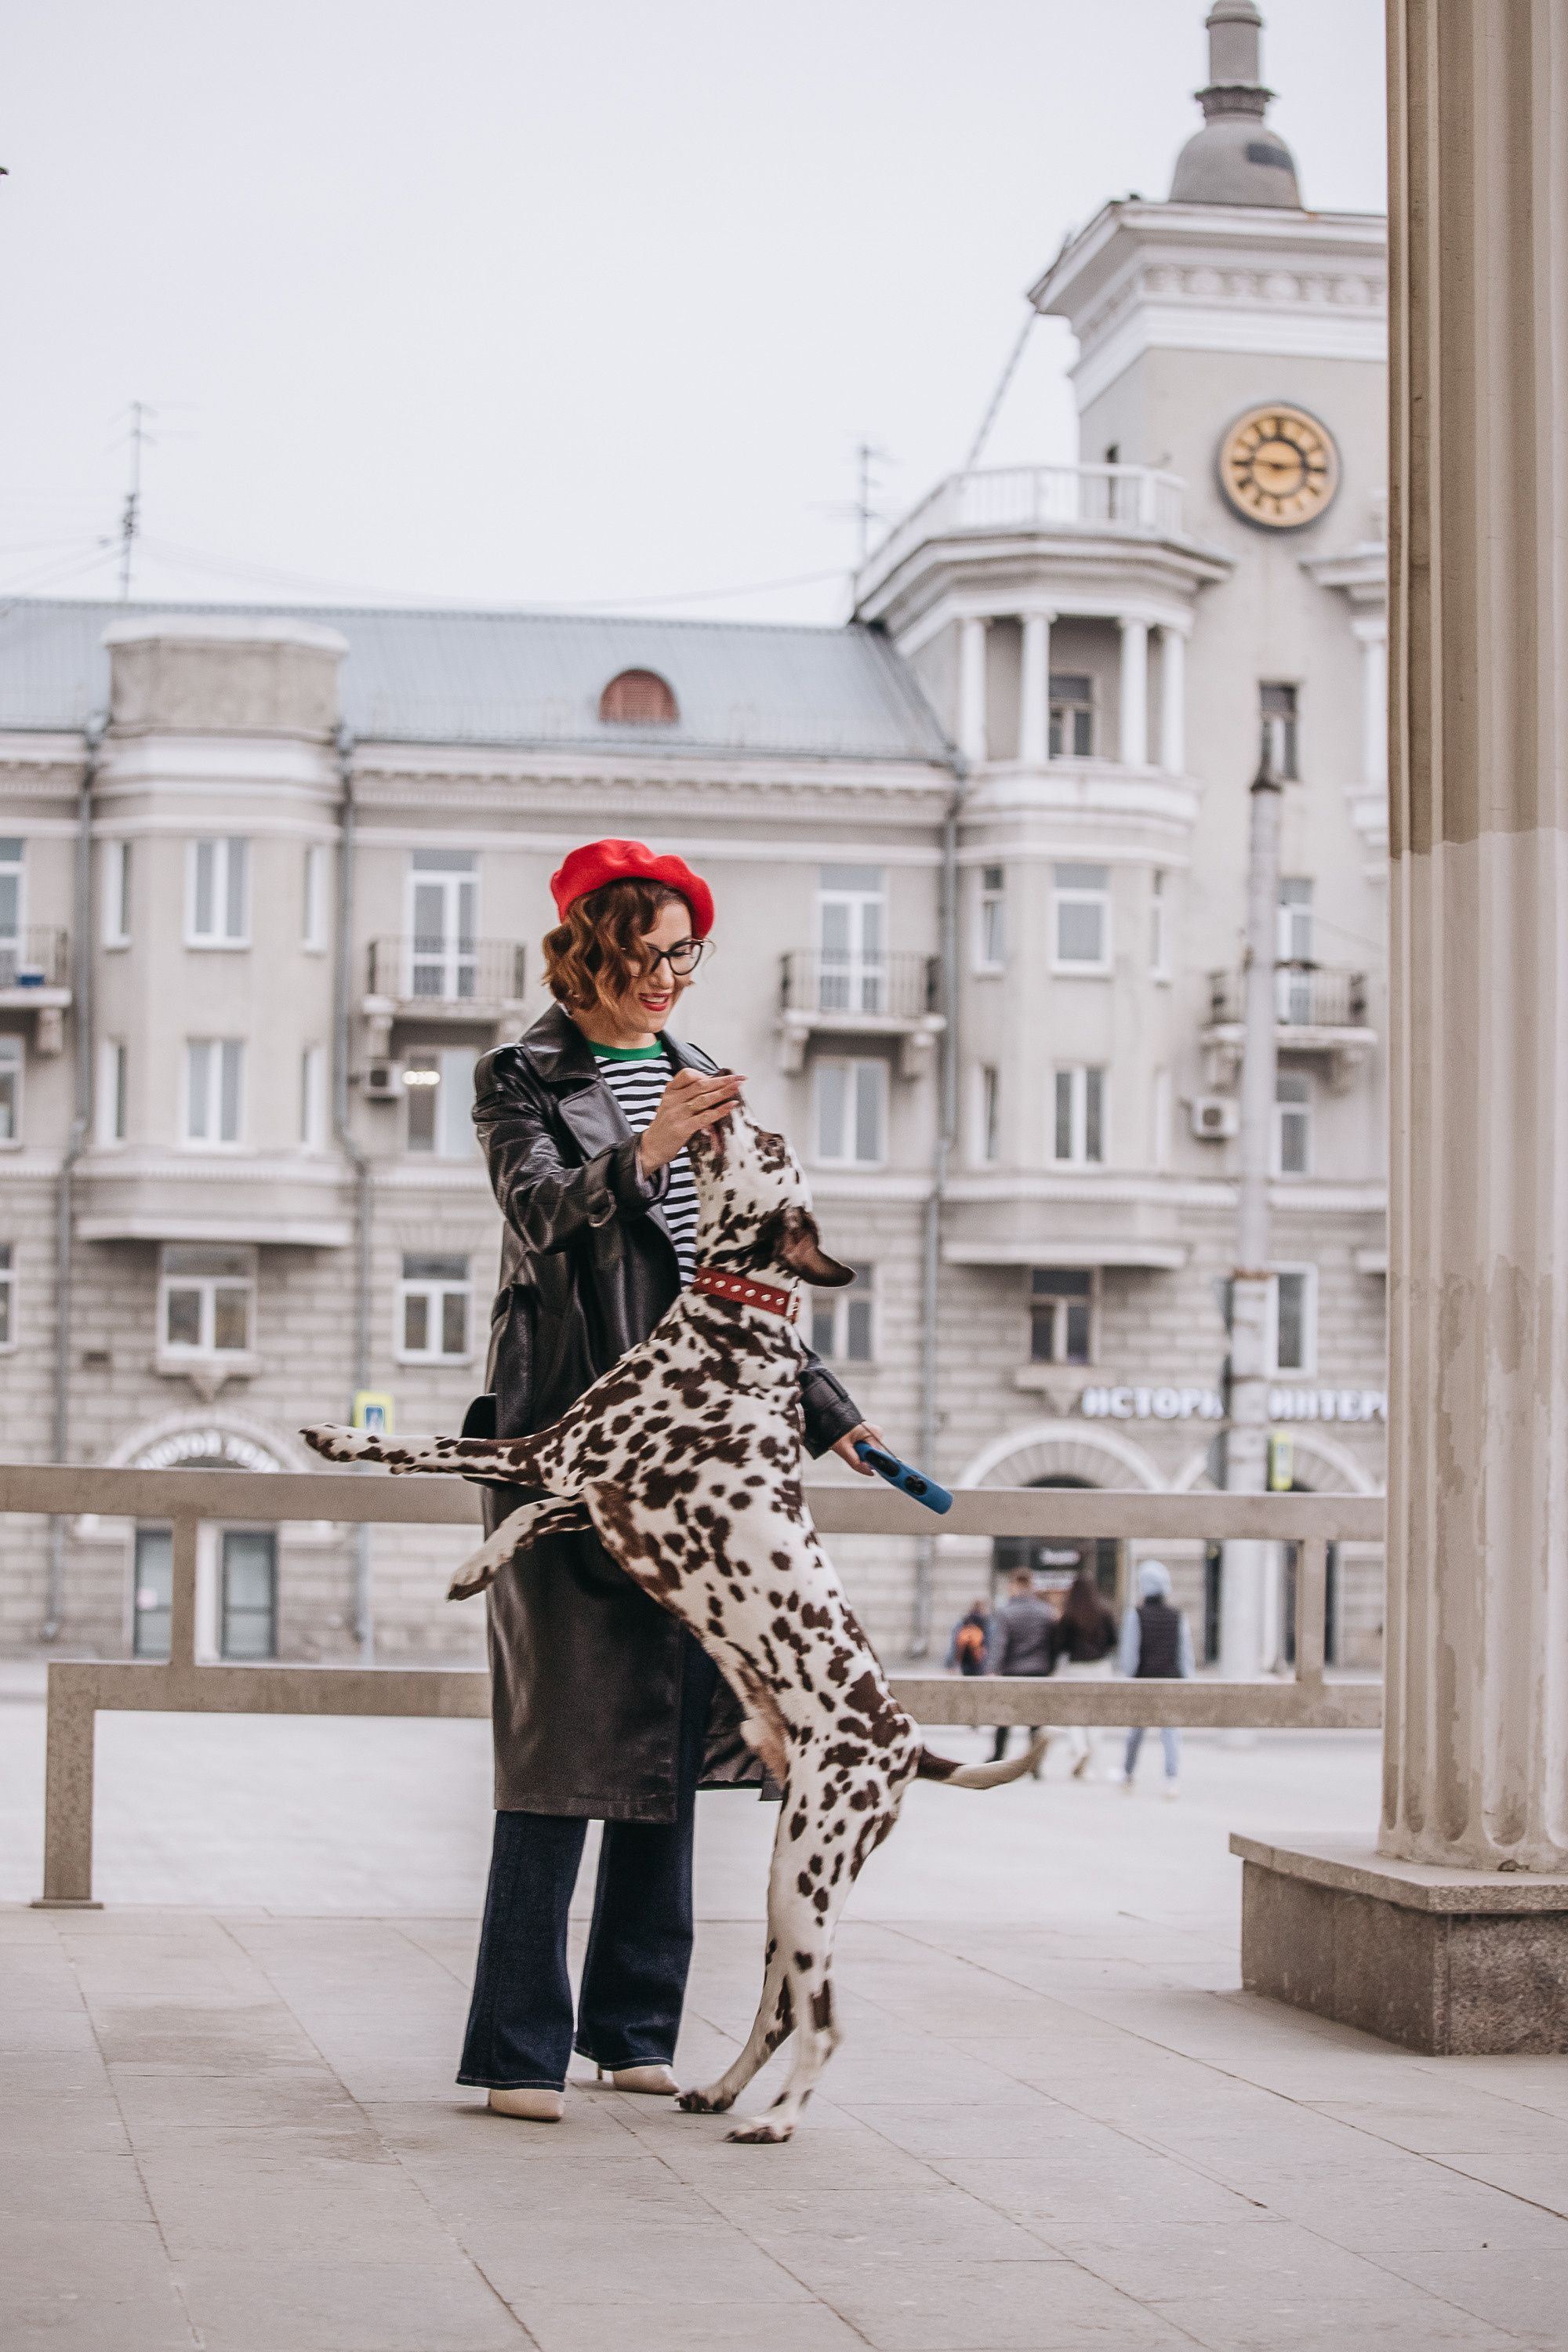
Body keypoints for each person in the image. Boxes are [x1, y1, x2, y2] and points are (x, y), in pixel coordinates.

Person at [458, 838, 884, 2122]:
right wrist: (645, 1149)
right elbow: (539, 1218)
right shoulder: (522, 1074)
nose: (666, 978)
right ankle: (519, 2052)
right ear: (589, 949)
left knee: (668, 1745)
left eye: (683, 954)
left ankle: (633, 2026)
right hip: (575, 1440)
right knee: (554, 1753)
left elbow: (738, 1274)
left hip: (700, 1473)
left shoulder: (708, 1078)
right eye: (643, 954)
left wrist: (827, 1409)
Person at [1118, 1560, 1195, 1799]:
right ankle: (1171, 1780)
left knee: (1136, 1733)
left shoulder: (1136, 1614)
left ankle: (1128, 1775)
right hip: (1171, 1681)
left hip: (1143, 1682)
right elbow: (1185, 1653)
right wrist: (1188, 1681)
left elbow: (1130, 1655)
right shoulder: (1177, 1616)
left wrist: (1128, 1680)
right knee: (1171, 1733)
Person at [1048, 1566, 1120, 1781]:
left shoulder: (1068, 1614)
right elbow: (1114, 1640)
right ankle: (1094, 1764)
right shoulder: (1105, 1611)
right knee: (1096, 1715)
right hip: (1100, 1667)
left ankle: (1080, 1750)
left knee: (1074, 1714)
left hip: (1076, 1667)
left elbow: (1059, 1644)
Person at [986, 1567, 1058, 1774]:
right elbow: (1052, 1644)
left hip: (1012, 1671)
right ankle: (1035, 1765)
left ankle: (998, 1758)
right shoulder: (1045, 1612)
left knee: (1004, 1718)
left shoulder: (1006, 1613)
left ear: (1015, 1586)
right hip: (1039, 1671)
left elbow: (1000, 1644)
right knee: (1035, 1721)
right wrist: (1050, 1667)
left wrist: (992, 1670)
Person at [946, 1599, 991, 1676]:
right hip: (981, 1662)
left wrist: (949, 1665)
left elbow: (953, 1645)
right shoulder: (986, 1622)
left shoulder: (963, 1622)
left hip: (965, 1661)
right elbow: (991, 1644)